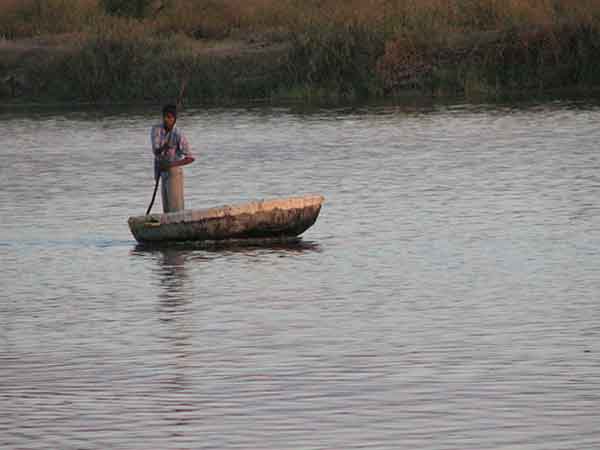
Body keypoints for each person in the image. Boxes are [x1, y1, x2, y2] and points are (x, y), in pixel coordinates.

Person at [150, 104, 195, 212]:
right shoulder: (156, 129)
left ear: (174, 119)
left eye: (170, 117)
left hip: (174, 172)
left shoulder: (178, 134)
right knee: (167, 208)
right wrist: (163, 147)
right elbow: (156, 151)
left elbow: (190, 158)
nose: (166, 119)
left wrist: (171, 165)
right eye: (165, 116)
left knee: (176, 207)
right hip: (162, 171)